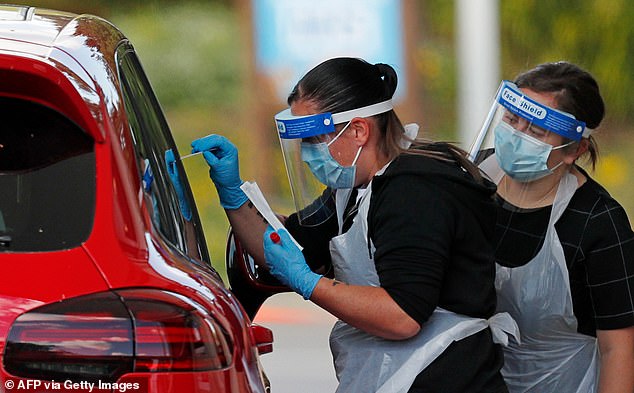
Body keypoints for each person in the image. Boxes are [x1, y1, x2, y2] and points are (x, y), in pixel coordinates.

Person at [192, 57, 516, 393]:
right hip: (396, 373)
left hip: (448, 376)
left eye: (315, 139)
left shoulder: (415, 191)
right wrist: (232, 195)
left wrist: (308, 283)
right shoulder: (353, 186)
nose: (307, 154)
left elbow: (402, 316)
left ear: (359, 130)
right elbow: (283, 250)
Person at [471, 61, 634, 393]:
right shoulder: (470, 180)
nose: (517, 136)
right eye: (512, 120)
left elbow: (618, 348)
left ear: (574, 149)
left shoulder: (598, 222)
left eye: (535, 131)